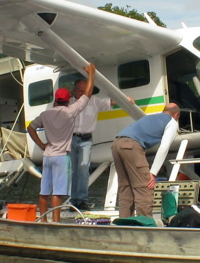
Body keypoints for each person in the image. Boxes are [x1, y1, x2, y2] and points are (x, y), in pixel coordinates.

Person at [27, 63, 96, 222]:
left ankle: (43, 220)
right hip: (61, 156)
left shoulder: (45, 114)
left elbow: (31, 128)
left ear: (56, 100)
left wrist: (41, 144)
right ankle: (56, 222)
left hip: (47, 155)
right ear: (67, 100)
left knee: (44, 191)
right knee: (57, 192)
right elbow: (87, 94)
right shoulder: (70, 112)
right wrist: (91, 74)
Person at [111, 103, 181, 218]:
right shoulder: (172, 122)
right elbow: (164, 147)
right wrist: (153, 173)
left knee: (125, 187)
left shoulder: (151, 117)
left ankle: (124, 223)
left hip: (116, 144)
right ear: (176, 115)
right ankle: (145, 224)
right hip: (132, 146)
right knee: (144, 187)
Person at [68, 78, 111, 211]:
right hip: (70, 138)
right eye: (81, 91)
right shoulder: (67, 102)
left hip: (86, 139)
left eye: (87, 91)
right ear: (74, 90)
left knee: (83, 169)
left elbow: (111, 102)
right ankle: (73, 200)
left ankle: (81, 200)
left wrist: (127, 99)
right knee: (73, 171)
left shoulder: (94, 100)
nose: (85, 93)